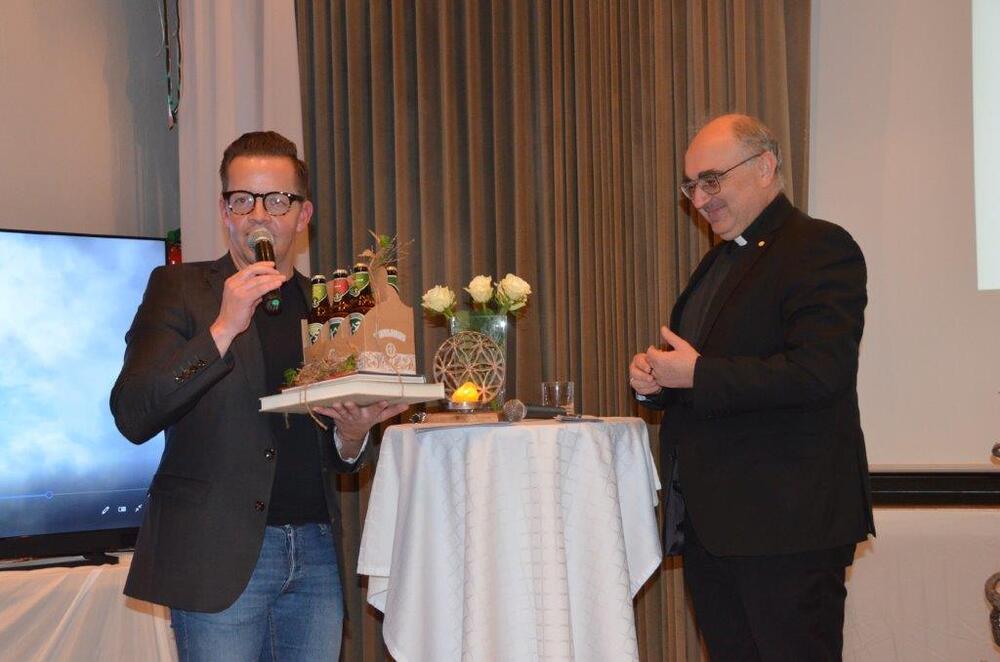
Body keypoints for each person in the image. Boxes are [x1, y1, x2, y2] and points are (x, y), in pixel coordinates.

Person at [111, 131, 407, 661]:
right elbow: (133, 413)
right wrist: (223, 328)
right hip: (216, 555)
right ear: (224, 211)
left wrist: (352, 434)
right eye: (243, 200)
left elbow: (335, 454)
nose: (259, 216)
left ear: (302, 214)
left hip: (315, 553)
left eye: (277, 200)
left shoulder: (326, 307)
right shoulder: (180, 289)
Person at [629, 114, 874, 661]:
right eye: (691, 186)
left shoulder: (820, 246)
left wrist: (696, 373)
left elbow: (819, 372)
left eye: (711, 180)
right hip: (714, 527)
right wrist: (658, 383)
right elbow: (707, 376)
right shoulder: (716, 262)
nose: (699, 199)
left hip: (788, 527)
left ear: (765, 167)